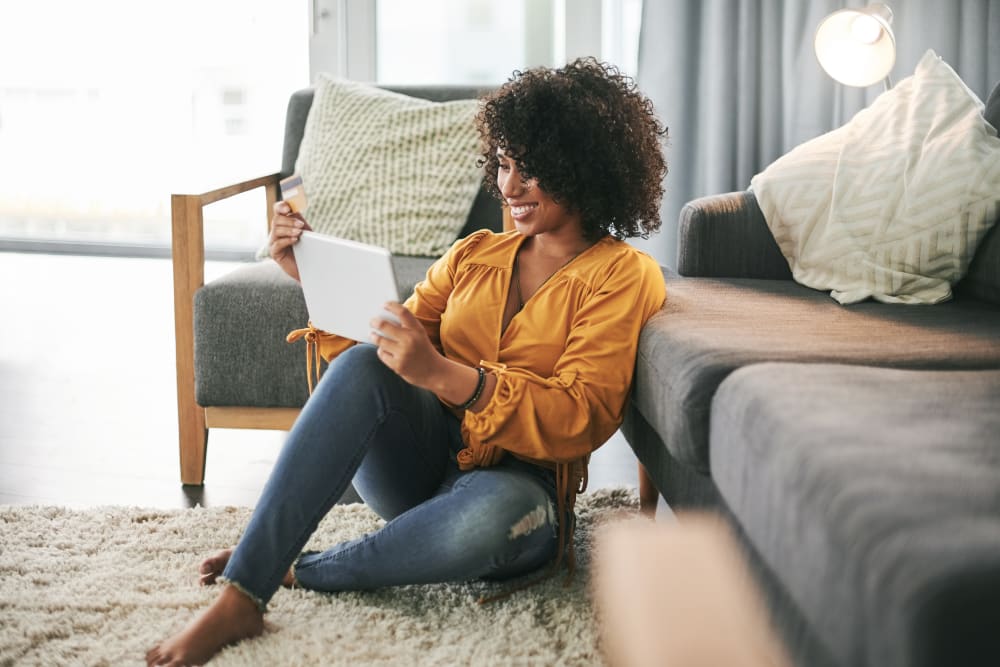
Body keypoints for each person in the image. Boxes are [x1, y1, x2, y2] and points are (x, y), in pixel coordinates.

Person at [147, 57, 668, 666]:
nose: (509, 187)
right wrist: (305, 275)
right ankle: (243, 594)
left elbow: (581, 413)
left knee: (488, 523)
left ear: (584, 169)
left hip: (520, 490)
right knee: (365, 366)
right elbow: (382, 354)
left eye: (533, 169)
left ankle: (308, 571)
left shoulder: (622, 277)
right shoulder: (474, 253)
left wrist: (449, 377)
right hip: (418, 464)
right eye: (503, 164)